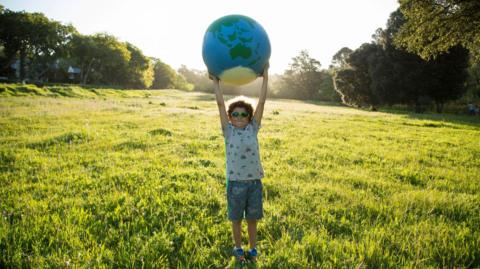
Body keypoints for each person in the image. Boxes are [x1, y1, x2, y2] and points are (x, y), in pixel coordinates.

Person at [211, 63, 269, 263]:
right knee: (236, 220)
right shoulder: (228, 131)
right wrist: (216, 83)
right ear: (229, 116)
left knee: (252, 220)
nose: (239, 117)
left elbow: (261, 102)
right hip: (235, 183)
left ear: (250, 117)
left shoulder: (253, 128)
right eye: (235, 114)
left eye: (243, 114)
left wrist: (266, 78)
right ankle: (238, 249)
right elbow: (220, 104)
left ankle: (252, 250)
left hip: (254, 183)